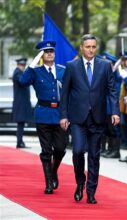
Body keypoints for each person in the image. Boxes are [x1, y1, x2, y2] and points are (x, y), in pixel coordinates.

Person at [60, 34, 120, 204]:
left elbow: (112, 90)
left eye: (94, 47)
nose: (91, 50)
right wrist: (63, 115)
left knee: (94, 156)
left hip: (98, 117)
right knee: (78, 151)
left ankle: (91, 191)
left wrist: (115, 111)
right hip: (78, 118)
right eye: (88, 47)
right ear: (81, 47)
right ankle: (80, 182)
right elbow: (64, 93)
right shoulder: (72, 66)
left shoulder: (105, 66)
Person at [19, 40, 66, 194]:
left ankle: (53, 171)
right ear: (41, 55)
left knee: (60, 149)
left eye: (51, 51)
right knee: (46, 151)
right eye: (46, 52)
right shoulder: (36, 71)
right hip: (43, 114)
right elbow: (23, 81)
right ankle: (48, 183)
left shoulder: (62, 70)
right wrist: (32, 63)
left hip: (60, 115)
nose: (49, 53)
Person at [11, 57, 33, 148]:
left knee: (22, 124)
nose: (23, 66)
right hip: (20, 104)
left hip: (22, 103)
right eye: (21, 65)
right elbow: (22, 81)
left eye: (24, 65)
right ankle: (19, 142)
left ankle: (20, 141)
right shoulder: (17, 73)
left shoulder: (20, 73)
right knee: (20, 124)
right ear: (18, 65)